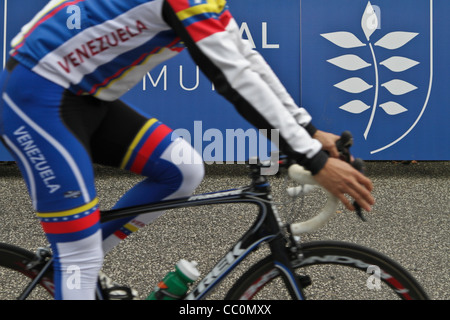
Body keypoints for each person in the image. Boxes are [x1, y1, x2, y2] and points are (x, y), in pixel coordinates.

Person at [0, 0, 374, 300]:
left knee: (184, 169)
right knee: (78, 259)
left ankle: (72, 260)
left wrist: (308, 132)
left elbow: (248, 61)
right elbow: (232, 78)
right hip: (35, 98)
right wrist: (312, 158)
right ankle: (75, 261)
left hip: (83, 97)